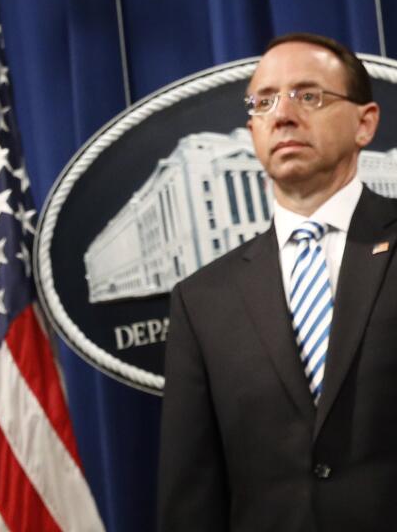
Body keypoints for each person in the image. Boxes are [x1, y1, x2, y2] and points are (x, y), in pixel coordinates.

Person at [158, 32, 397, 531]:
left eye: (309, 96)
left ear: (365, 123)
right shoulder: (203, 302)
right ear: (252, 130)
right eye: (264, 102)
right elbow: (191, 496)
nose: (283, 115)